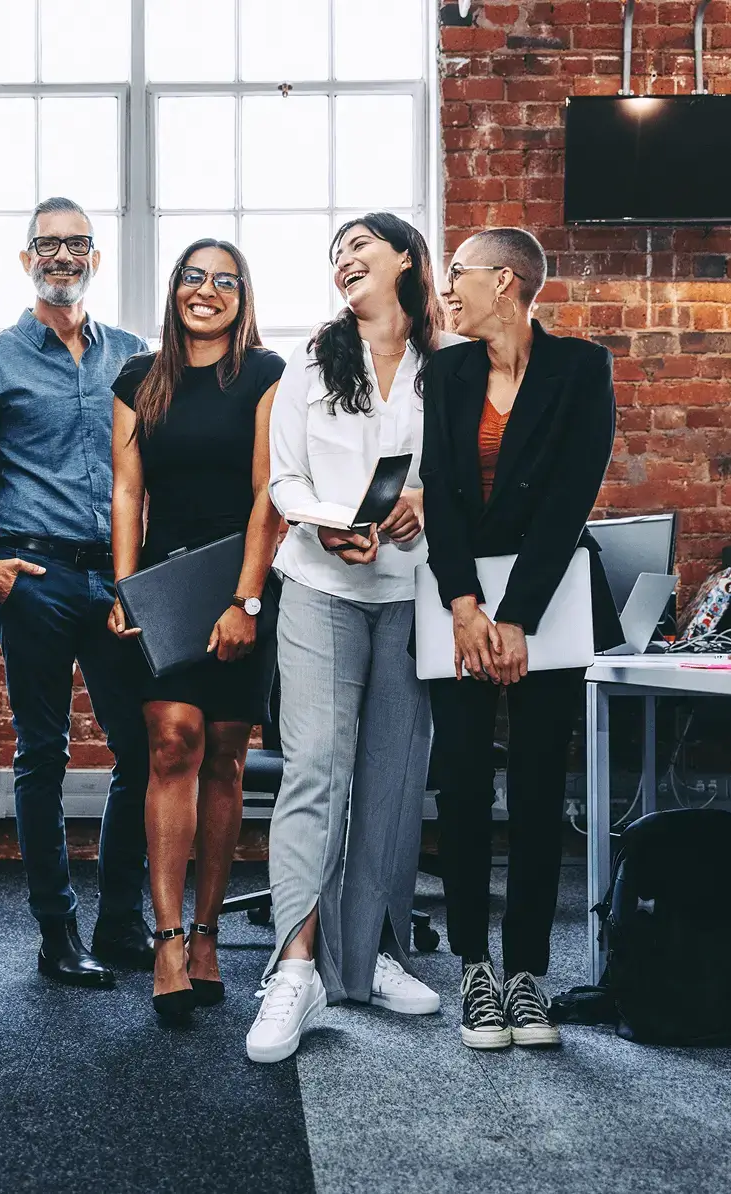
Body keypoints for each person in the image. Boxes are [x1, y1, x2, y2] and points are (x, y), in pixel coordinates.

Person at [246, 212, 461, 1064]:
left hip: (416, 594)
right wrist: (329, 523)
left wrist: (427, 500)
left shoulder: (450, 367)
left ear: (405, 257)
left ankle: (370, 954)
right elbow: (285, 479)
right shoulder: (310, 361)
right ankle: (294, 968)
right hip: (322, 586)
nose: (344, 262)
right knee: (315, 773)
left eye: (358, 247)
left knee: (393, 781)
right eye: (335, 254)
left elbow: (475, 469)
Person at [420, 227, 620, 1051]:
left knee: (538, 792)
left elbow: (569, 502)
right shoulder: (447, 370)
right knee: (464, 790)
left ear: (504, 281)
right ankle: (474, 968)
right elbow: (440, 491)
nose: (446, 291)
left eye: (457, 274)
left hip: (547, 603)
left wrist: (515, 619)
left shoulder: (581, 367)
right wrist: (466, 606)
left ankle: (528, 974)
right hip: (458, 604)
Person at [0, 197, 153, 989]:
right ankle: (56, 931)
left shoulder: (135, 355)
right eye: (49, 244)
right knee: (42, 754)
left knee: (138, 750)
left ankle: (119, 921)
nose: (63, 256)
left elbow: (152, 473)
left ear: (96, 258)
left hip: (119, 576)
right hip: (34, 574)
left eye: (78, 244)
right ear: (26, 258)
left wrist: (142, 577)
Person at [110, 240, 285, 1022]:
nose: (205, 291)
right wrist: (128, 590)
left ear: (243, 297)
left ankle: (209, 933)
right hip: (168, 587)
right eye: (191, 277)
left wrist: (245, 602)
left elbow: (267, 494)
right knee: (172, 739)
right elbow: (126, 492)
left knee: (224, 755)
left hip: (241, 583)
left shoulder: (266, 374)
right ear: (173, 288)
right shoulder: (138, 380)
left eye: (224, 281)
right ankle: (169, 937)